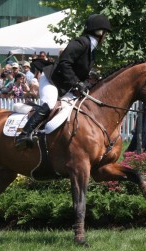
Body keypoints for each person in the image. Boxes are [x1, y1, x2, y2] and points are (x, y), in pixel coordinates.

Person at [15, 14, 112, 150]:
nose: (105, 37)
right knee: (50, 103)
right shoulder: (80, 43)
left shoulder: (90, 48)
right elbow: (64, 63)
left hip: (64, 85)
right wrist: (76, 83)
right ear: (99, 32)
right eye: (105, 34)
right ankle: (24, 134)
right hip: (51, 80)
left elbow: (79, 70)